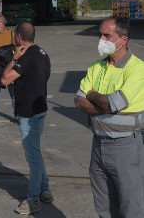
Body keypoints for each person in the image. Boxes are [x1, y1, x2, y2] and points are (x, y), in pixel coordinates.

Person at [74, 17, 144, 218]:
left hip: (126, 148)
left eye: (107, 36)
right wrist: (105, 105)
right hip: (98, 146)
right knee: (104, 207)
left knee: (131, 208)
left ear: (123, 40)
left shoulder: (137, 69)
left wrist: (93, 95)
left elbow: (112, 103)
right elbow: (79, 101)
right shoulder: (97, 66)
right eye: (100, 34)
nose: (101, 39)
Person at [1, 22, 52, 215]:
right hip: (39, 109)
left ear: (19, 38)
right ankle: (45, 189)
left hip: (29, 114)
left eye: (14, 36)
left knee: (33, 158)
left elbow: (4, 79)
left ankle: (33, 199)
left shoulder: (25, 57)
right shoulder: (42, 53)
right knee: (36, 153)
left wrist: (14, 58)